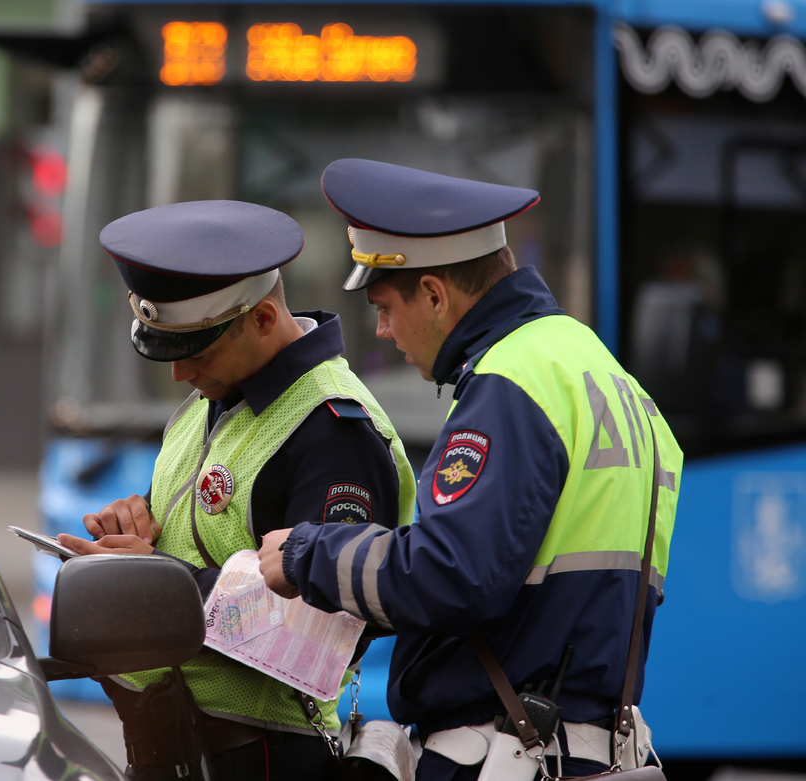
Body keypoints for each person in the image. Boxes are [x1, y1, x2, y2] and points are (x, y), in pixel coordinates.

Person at [257, 160, 682, 781]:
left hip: (507, 755)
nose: (381, 330)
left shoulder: (511, 381)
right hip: (591, 750)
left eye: (384, 306)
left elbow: (450, 574)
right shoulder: (605, 374)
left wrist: (306, 554)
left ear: (433, 293)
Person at [55, 200, 416, 781]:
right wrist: (135, 521)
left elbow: (320, 628)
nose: (179, 373)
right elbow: (199, 537)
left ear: (264, 319)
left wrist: (158, 587)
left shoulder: (335, 431)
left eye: (196, 351)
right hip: (174, 746)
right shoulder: (213, 397)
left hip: (260, 756)